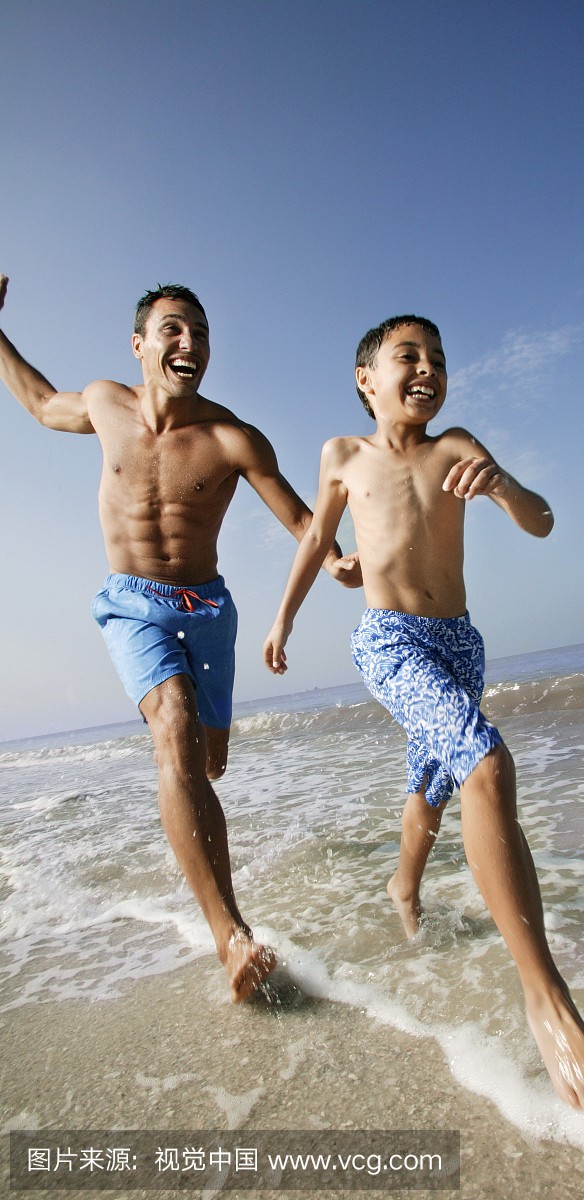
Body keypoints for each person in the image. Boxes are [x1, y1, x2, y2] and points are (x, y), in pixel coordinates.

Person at [263, 314, 584, 1119]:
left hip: (460, 645)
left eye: (437, 358)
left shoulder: (456, 445)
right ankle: (545, 997)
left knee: (433, 783)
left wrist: (501, 483)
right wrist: (284, 618)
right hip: (389, 638)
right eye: (409, 356)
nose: (427, 368)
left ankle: (402, 890)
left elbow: (540, 521)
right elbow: (313, 543)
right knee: (486, 763)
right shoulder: (342, 456)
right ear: (367, 377)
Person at [0, 274, 360, 1003]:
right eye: (172, 329)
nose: (189, 341)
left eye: (199, 331)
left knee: (209, 761)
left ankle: (206, 842)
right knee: (172, 728)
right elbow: (40, 404)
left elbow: (300, 517)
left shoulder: (232, 438)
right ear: (139, 345)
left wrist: (336, 560)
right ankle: (230, 934)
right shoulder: (106, 403)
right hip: (132, 603)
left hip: (208, 611)